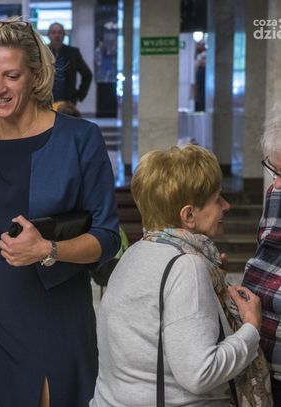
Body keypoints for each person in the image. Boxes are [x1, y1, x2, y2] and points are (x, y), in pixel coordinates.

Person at [0, 18, 120, 407]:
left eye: (11, 76)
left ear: (35, 76)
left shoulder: (80, 138)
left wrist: (48, 250)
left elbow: (107, 237)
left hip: (54, 314)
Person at [90, 145, 269, 406]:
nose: (226, 205)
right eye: (217, 199)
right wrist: (251, 328)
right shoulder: (186, 265)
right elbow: (200, 373)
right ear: (188, 215)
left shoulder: (136, 252)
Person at [243, 110, 281, 404]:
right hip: (264, 363)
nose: (276, 185)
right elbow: (264, 258)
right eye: (275, 170)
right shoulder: (275, 195)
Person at [48, 22, 93, 104]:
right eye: (53, 32)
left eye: (59, 32)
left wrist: (79, 95)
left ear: (64, 35)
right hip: (46, 100)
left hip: (67, 101)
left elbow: (87, 74)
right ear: (48, 35)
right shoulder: (42, 52)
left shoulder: (73, 53)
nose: (57, 35)